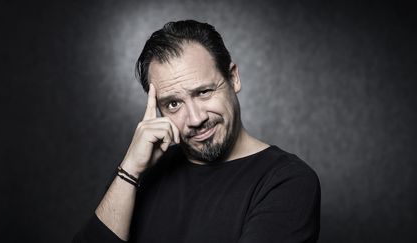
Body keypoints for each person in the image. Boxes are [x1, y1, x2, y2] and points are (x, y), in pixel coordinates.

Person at [73, 20, 320, 243]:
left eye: (203, 92)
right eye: (173, 104)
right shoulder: (137, 175)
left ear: (233, 78)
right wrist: (130, 170)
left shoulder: (287, 181)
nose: (195, 118)